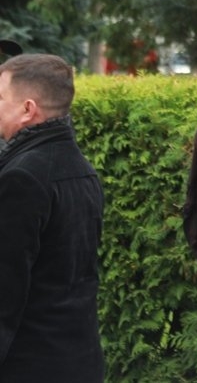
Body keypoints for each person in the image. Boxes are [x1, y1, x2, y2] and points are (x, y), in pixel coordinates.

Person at [0, 54, 104, 382]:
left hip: (29, 364)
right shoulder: (83, 170)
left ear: (28, 109)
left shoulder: (22, 177)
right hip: (79, 358)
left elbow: (6, 289)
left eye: (0, 97)